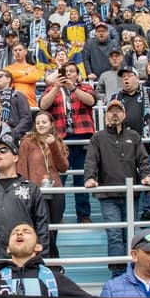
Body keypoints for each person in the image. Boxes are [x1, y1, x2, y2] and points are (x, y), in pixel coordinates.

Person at [84, 99, 150, 271]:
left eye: (118, 110)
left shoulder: (134, 136)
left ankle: (132, 272)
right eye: (111, 111)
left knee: (130, 236)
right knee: (115, 235)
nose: (114, 114)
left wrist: (146, 176)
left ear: (124, 115)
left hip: (131, 195)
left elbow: (143, 160)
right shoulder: (98, 137)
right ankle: (118, 275)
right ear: (106, 115)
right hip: (108, 196)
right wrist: (90, 178)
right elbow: (91, 161)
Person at [39, 62, 97, 224]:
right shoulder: (52, 88)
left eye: (72, 71)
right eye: (65, 71)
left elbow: (91, 101)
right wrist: (57, 87)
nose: (69, 74)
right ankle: (58, 214)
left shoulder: (84, 87)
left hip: (82, 138)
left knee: (82, 177)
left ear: (77, 75)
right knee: (58, 180)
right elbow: (43, 105)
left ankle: (83, 215)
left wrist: (73, 88)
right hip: (59, 139)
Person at [16, 111, 68, 258]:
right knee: (42, 227)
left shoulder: (56, 141)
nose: (40, 125)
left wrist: (53, 146)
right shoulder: (27, 142)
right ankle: (50, 260)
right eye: (38, 122)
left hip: (56, 189)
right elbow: (21, 168)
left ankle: (50, 260)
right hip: (36, 190)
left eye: (44, 122)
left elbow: (63, 167)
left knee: (53, 229)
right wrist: (25, 189)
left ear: (51, 125)